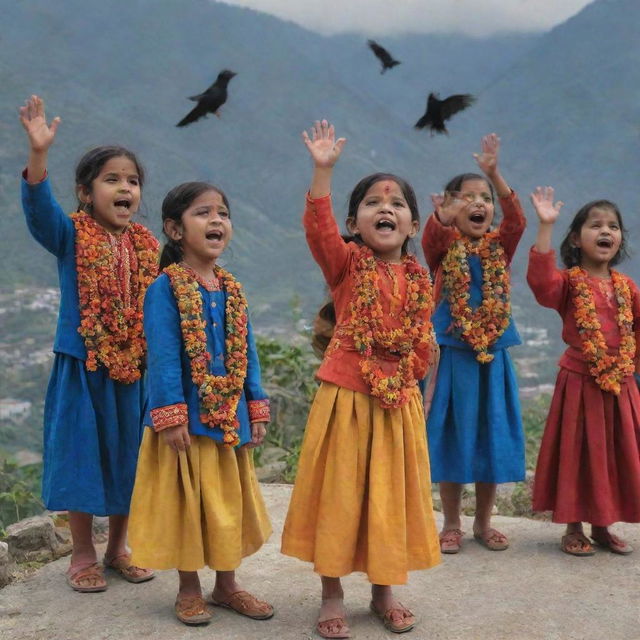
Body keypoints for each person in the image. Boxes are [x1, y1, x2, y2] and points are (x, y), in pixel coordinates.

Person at [281, 120, 441, 638]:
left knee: (388, 497)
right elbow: (318, 231)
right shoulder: (347, 264)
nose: (386, 209)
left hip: (398, 405)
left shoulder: (421, 280)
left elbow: (422, 340)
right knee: (342, 496)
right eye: (373, 203)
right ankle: (331, 596)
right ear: (354, 222)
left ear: (413, 225)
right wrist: (322, 171)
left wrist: (413, 378)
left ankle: (384, 593)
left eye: (396, 204)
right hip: (347, 399)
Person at [19, 95, 157, 591]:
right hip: (83, 363)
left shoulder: (146, 246)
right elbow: (40, 214)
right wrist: (38, 155)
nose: (125, 188)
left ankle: (118, 547)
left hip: (135, 367)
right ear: (84, 192)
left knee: (130, 454)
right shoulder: (71, 235)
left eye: (133, 181)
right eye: (112, 179)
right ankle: (82, 554)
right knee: (83, 453)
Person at [127, 181, 273, 625]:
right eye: (203, 213)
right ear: (174, 229)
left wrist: (256, 404)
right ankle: (189, 589)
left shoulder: (232, 288)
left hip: (228, 419)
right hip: (186, 422)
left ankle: (227, 586)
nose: (216, 221)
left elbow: (247, 351)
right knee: (189, 506)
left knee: (226, 502)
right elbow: (165, 355)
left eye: (223, 213)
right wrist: (170, 415)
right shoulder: (164, 289)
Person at [422, 134, 526, 554]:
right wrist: (442, 218)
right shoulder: (445, 246)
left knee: (489, 433)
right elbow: (431, 238)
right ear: (450, 207)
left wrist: (494, 174)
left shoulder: (500, 245)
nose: (479, 204)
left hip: (493, 355)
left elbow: (516, 221)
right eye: (467, 199)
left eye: (484, 198)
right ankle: (450, 524)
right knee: (452, 435)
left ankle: (484, 522)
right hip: (453, 352)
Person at [527, 186, 640, 556]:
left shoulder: (627, 287)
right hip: (579, 381)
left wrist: (630, 372)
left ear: (620, 238)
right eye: (595, 225)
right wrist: (545, 226)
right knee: (579, 452)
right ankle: (573, 528)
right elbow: (541, 284)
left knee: (612, 453)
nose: (605, 231)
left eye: (613, 226)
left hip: (621, 384)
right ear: (576, 238)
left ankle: (603, 526)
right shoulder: (568, 282)